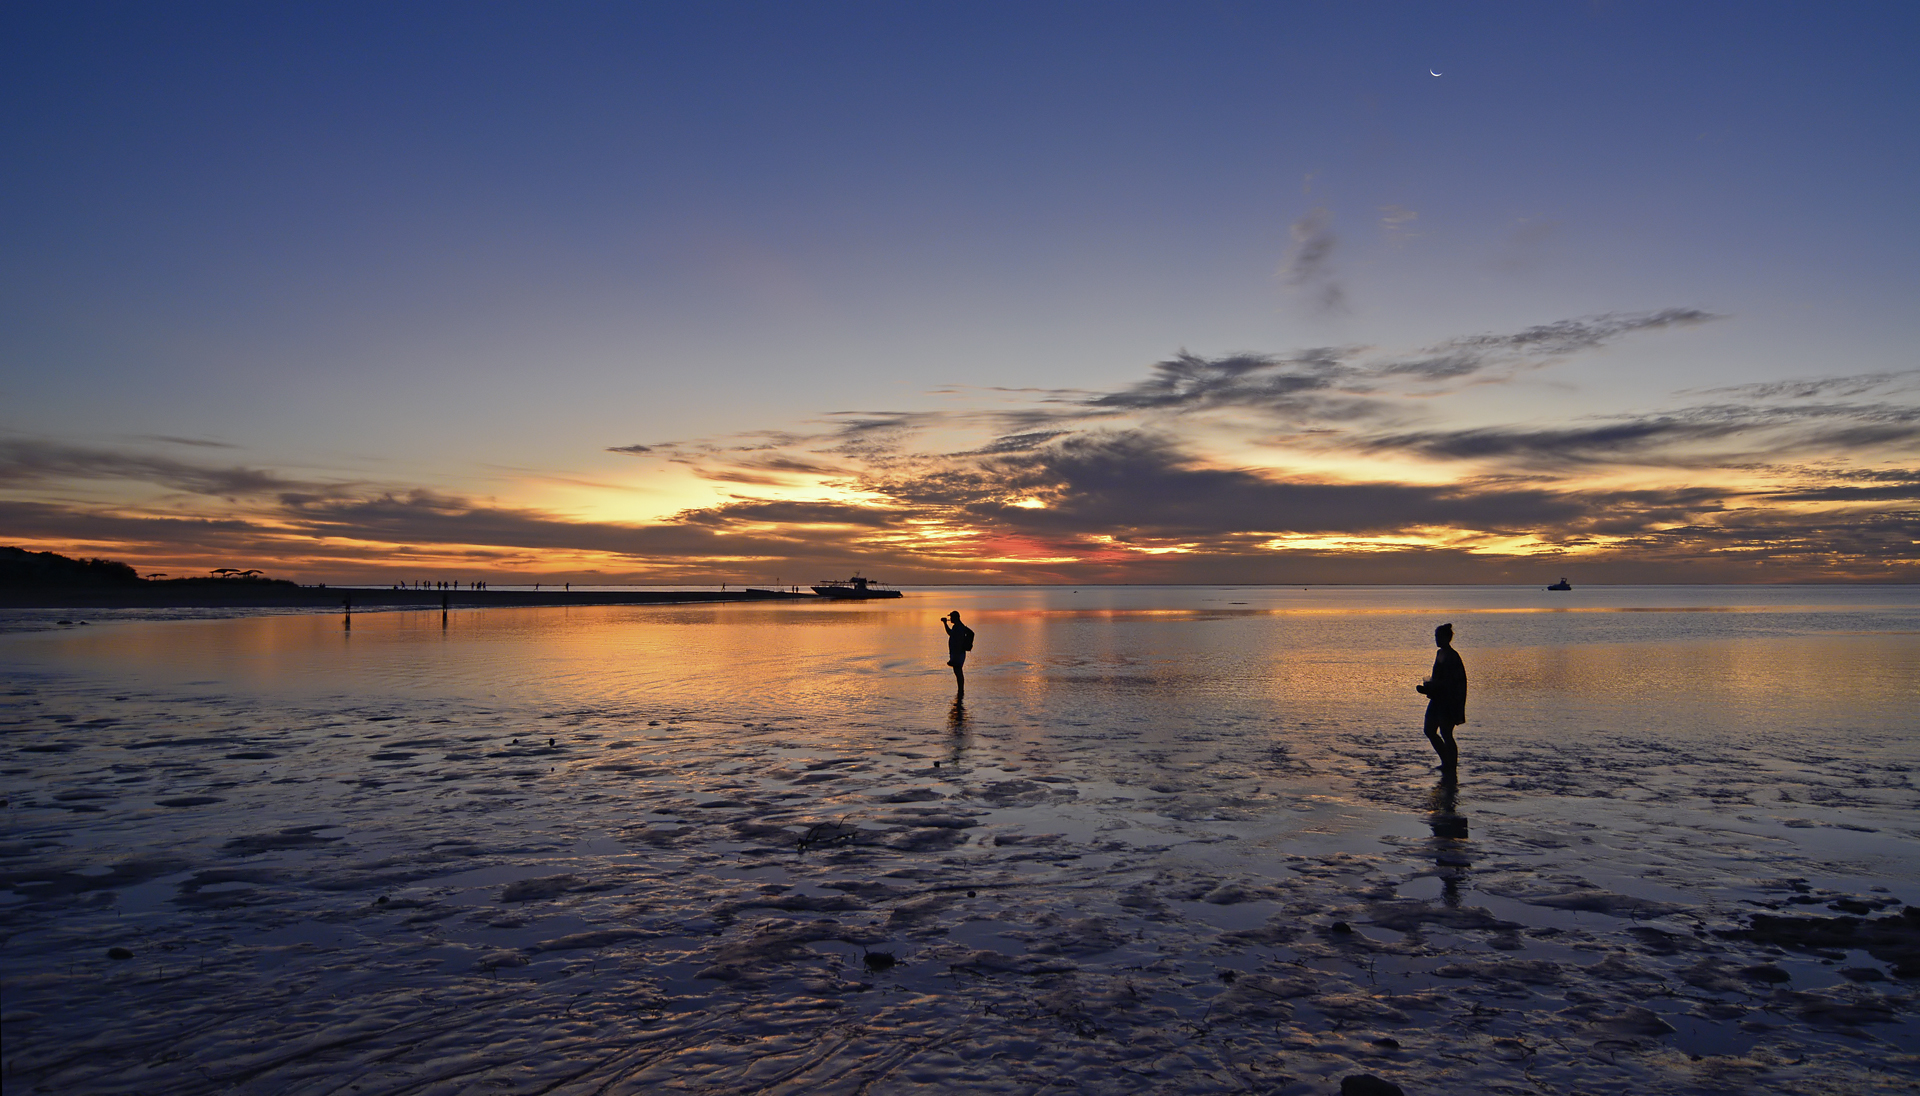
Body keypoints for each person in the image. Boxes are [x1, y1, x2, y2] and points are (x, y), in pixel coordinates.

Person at [1415, 622, 1467, 769]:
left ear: (1446, 638)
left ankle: (1451, 764)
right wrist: (1428, 689)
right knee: (1429, 730)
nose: (1436, 639)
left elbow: (1453, 681)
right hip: (1438, 699)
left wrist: (1434, 687)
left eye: (1438, 636)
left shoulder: (1452, 656)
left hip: (1449, 701)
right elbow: (1438, 678)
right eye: (1435, 636)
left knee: (1446, 733)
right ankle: (1446, 761)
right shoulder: (1440, 653)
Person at [942, 611, 975, 696]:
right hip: (957, 653)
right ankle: (960, 691)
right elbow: (951, 634)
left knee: (958, 672)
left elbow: (954, 637)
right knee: (957, 672)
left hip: (958, 654)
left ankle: (961, 691)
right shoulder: (957, 627)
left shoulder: (959, 628)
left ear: (955, 618)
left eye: (951, 617)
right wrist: (945, 623)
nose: (950, 619)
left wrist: (945, 623)